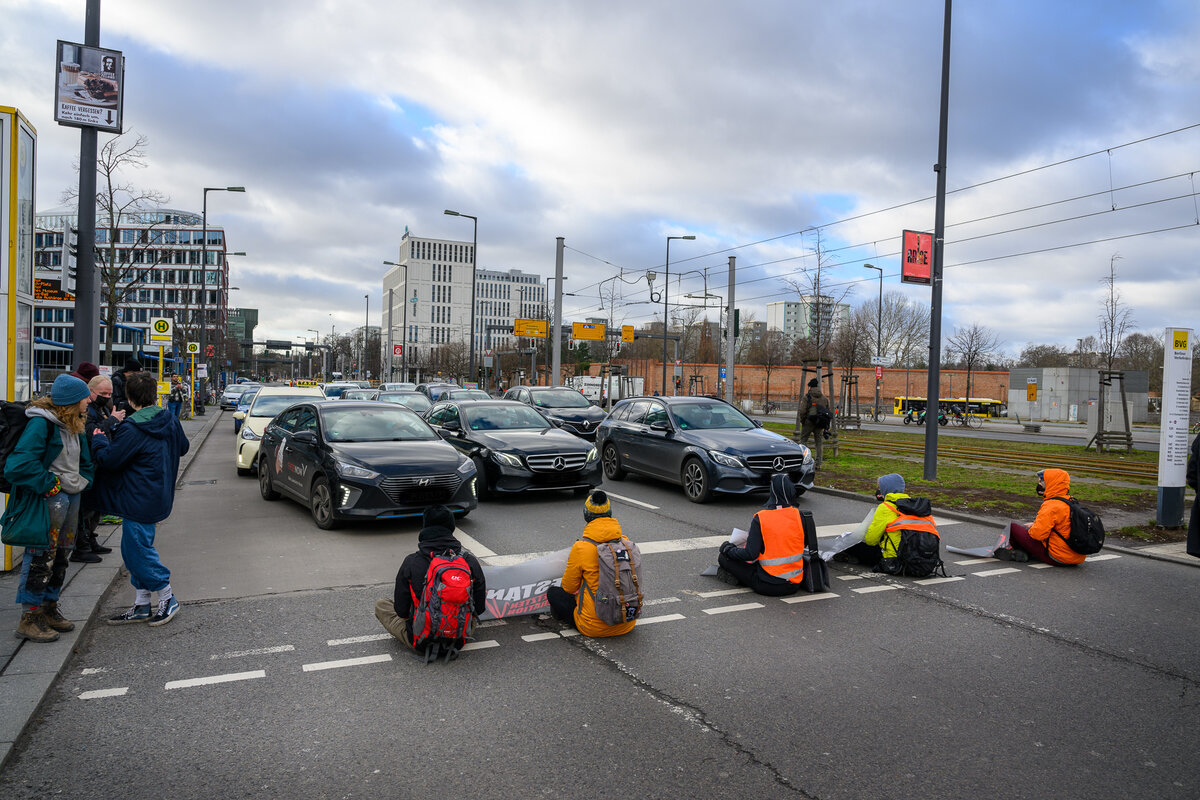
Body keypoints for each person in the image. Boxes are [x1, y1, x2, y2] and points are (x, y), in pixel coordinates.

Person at [92, 371, 190, 626]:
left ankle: (166, 595)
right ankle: (141, 603)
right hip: (159, 493)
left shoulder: (133, 428)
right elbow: (183, 447)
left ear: (129, 397)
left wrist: (100, 440)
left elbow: (110, 460)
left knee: (136, 550)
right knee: (132, 548)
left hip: (137, 496)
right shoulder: (168, 418)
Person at [2, 374, 95, 643]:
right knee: (41, 556)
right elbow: (18, 466)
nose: (88, 400)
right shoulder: (41, 424)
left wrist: (82, 480)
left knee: (62, 554)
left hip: (68, 496)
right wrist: (51, 485)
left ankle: (49, 607)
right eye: (84, 396)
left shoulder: (72, 422)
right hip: (50, 499)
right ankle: (29, 617)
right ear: (70, 402)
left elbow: (82, 460)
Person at [375, 505, 487, 649]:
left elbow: (401, 612)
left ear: (425, 527)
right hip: (459, 639)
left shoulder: (411, 561)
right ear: (451, 528)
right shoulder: (468, 560)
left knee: (382, 604)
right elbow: (479, 608)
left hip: (421, 642)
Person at [545, 490, 639, 637]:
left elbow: (569, 587)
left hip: (592, 626)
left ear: (586, 515)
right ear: (610, 513)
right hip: (627, 622)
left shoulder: (582, 547)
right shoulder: (626, 543)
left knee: (553, 593)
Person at [715, 475, 807, 597]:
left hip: (768, 585)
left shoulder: (761, 518)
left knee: (724, 558)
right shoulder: (801, 516)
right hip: (795, 583)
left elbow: (750, 554)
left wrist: (728, 549)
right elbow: (804, 544)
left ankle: (736, 575)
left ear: (772, 493)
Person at [72, 375, 124, 563]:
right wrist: (111, 421)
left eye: (109, 393)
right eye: (103, 393)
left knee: (95, 507)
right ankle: (81, 546)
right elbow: (89, 433)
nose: (107, 396)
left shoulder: (101, 408)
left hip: (98, 464)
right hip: (87, 465)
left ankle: (90, 540)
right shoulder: (86, 411)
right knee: (86, 508)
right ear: (90, 392)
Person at [995, 469, 1087, 566]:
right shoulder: (1071, 501)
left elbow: (1037, 535)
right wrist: (1036, 524)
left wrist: (1032, 528)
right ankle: (1023, 552)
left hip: (1058, 557)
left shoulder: (1051, 505)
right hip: (1077, 556)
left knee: (1013, 528)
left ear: (1050, 483)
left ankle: (1015, 552)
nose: (1039, 484)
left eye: (1040, 482)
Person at [832, 473, 911, 569]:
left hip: (892, 557)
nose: (878, 490)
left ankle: (849, 556)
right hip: (911, 555)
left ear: (887, 489)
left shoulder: (886, 508)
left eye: (880, 487)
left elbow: (871, 540)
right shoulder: (912, 505)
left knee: (851, 544)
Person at [797, 378, 831, 467]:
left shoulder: (807, 397)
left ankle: (803, 461)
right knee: (819, 443)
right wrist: (826, 425)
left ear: (810, 387)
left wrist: (803, 420)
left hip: (809, 422)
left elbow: (802, 410)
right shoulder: (824, 398)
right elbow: (828, 412)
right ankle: (818, 464)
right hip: (820, 424)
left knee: (803, 441)